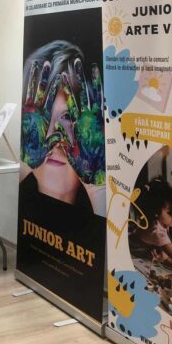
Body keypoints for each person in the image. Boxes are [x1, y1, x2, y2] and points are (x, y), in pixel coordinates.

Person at [19, 40, 105, 215]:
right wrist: (23, 164)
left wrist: (97, 186)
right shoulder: (13, 212)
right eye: (42, 116)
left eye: (68, 117)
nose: (53, 137)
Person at [130, 177, 172, 269]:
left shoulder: (159, 222)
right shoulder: (156, 230)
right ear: (156, 212)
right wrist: (167, 258)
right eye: (169, 212)